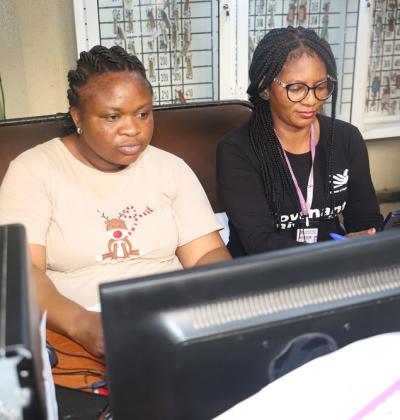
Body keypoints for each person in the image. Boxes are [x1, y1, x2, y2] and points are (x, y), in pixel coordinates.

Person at [0, 45, 231, 356]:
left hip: (173, 325)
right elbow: (22, 271)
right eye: (112, 116)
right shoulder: (34, 171)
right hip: (75, 331)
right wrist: (81, 324)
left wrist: (215, 304)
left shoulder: (170, 168)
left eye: (143, 114)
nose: (133, 129)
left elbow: (207, 254)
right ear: (78, 116)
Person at [217, 26, 383, 257]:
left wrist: (367, 240)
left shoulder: (347, 139)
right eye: (296, 88)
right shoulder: (237, 151)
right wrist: (335, 250)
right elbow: (259, 243)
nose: (311, 100)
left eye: (321, 87)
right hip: (264, 277)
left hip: (337, 270)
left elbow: (366, 223)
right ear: (265, 86)